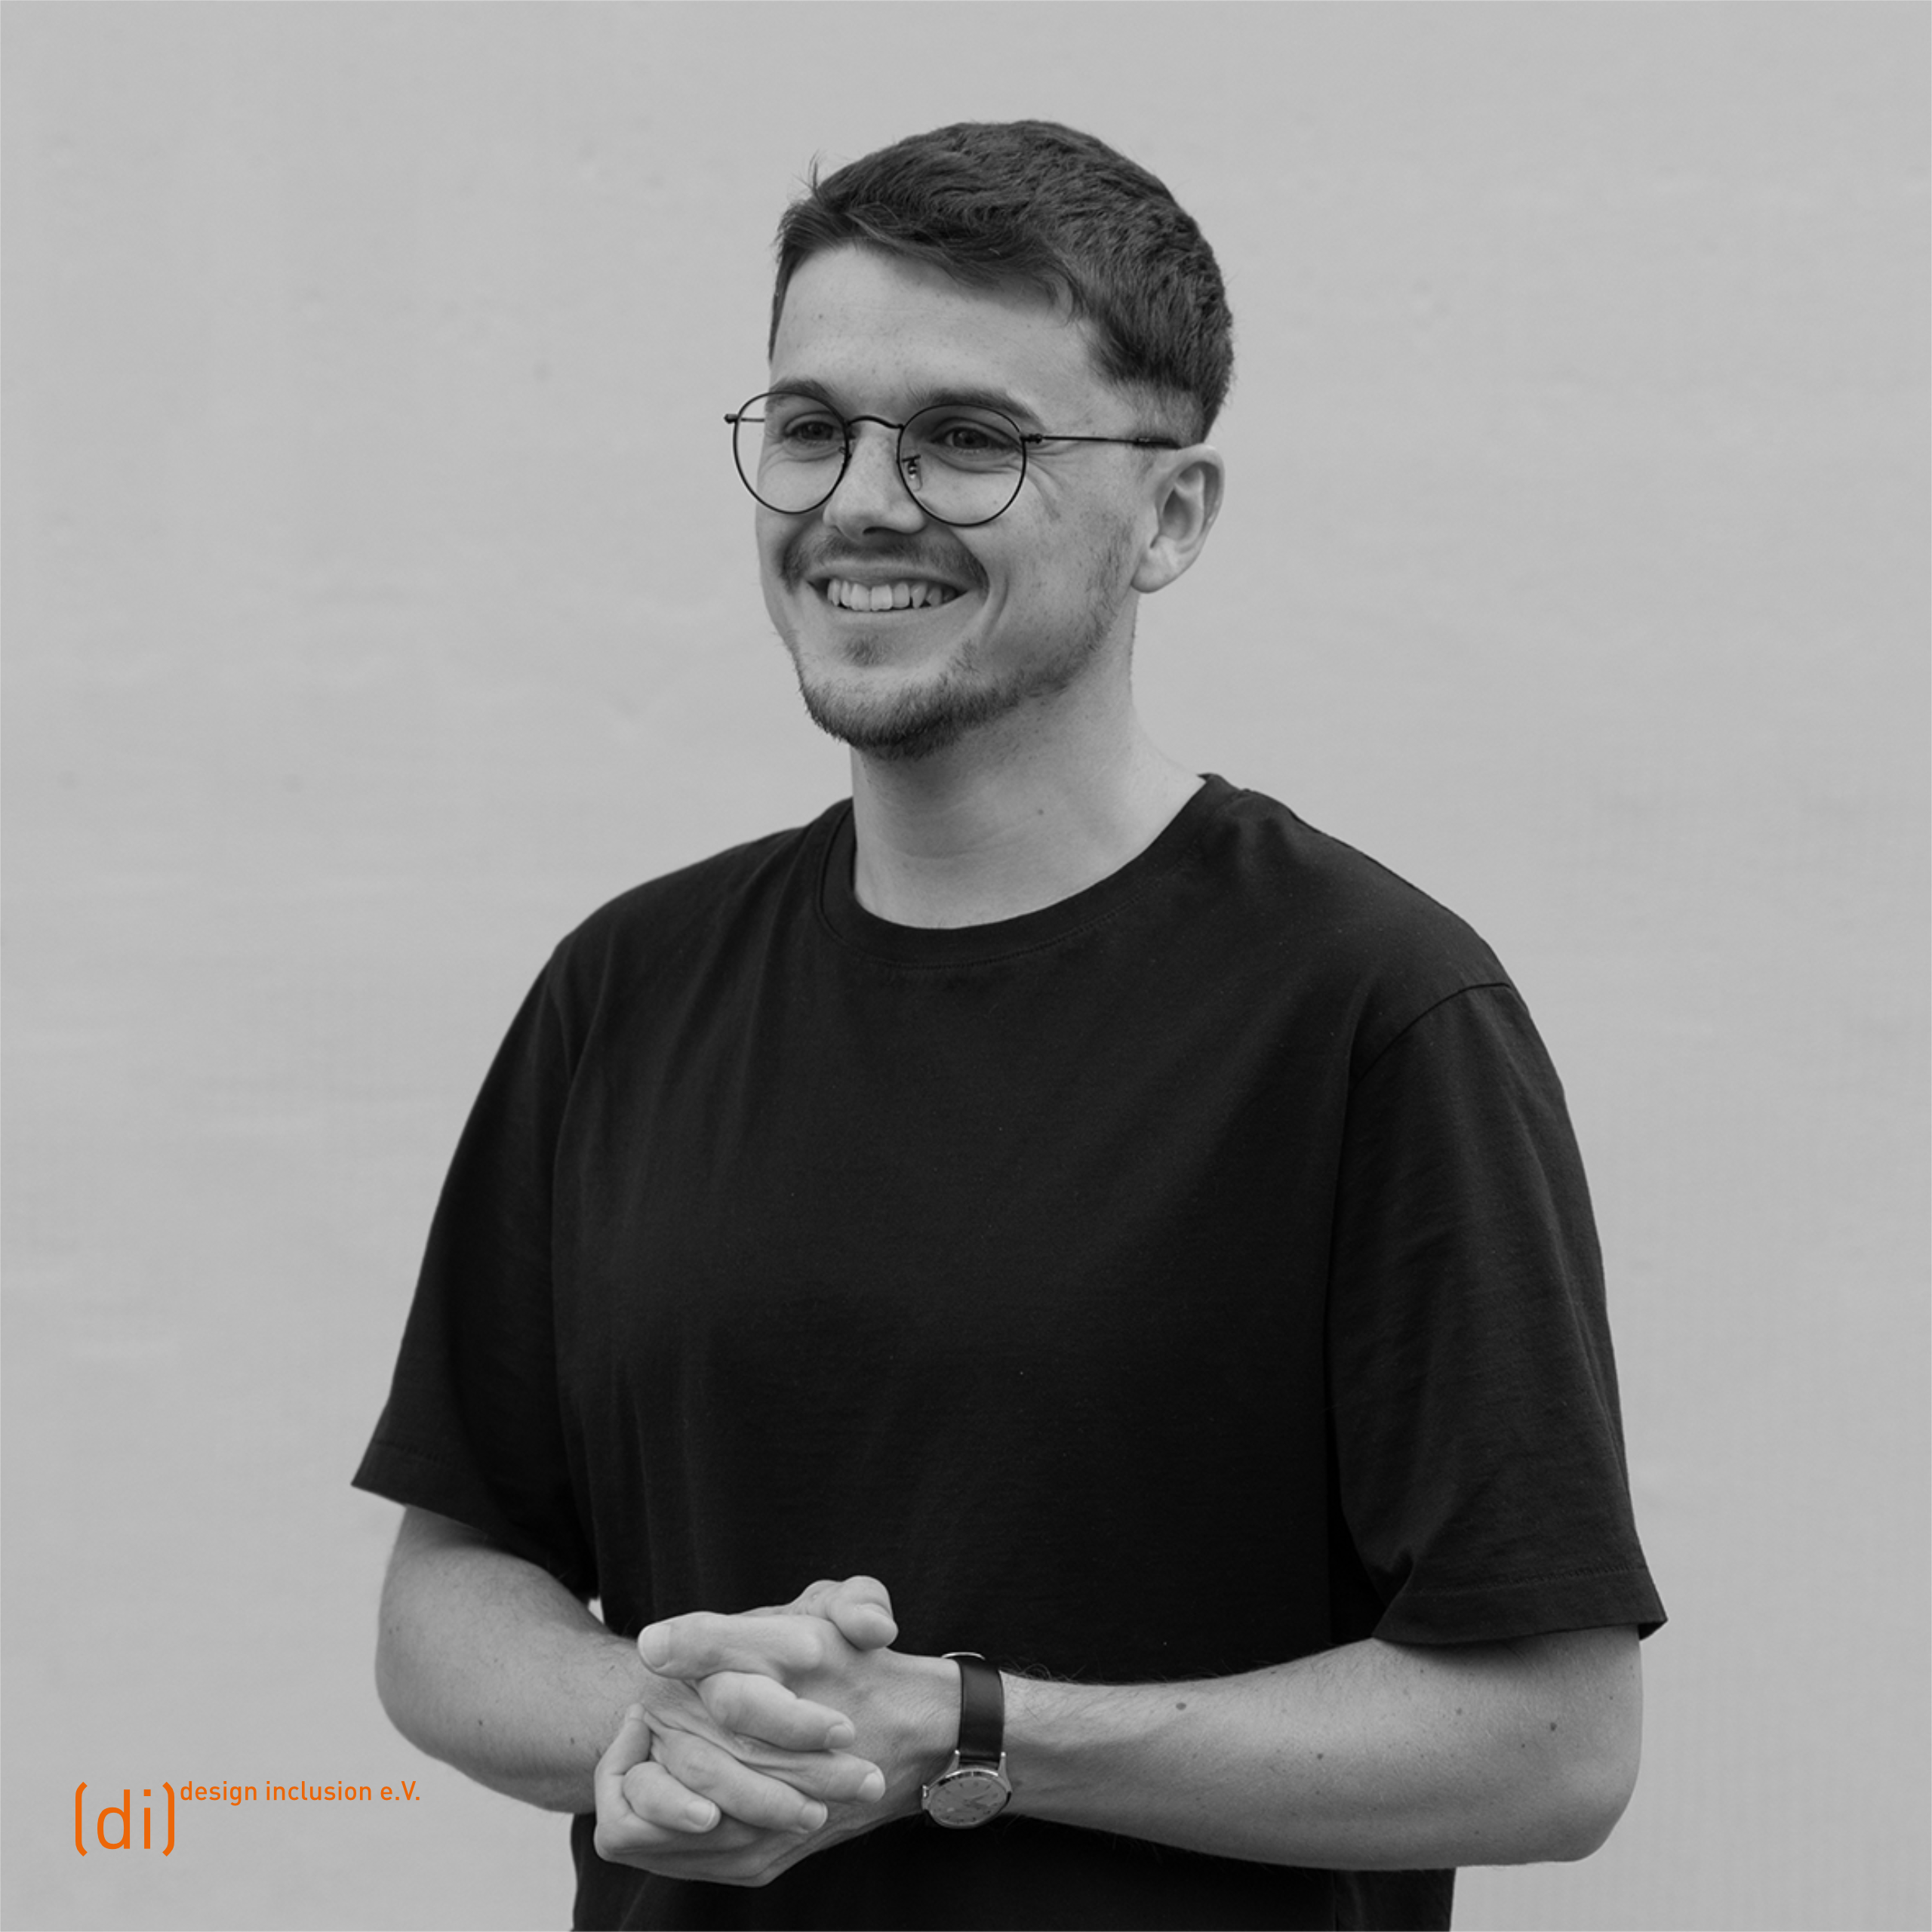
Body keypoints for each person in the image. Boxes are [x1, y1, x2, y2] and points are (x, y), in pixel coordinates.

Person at [354, 119, 1665, 1931]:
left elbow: (1550, 1741)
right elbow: (448, 1590)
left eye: (968, 439)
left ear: (1170, 515)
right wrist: (666, 1724)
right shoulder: (626, 985)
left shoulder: (1370, 1012)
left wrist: (970, 1731)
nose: (860, 500)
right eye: (809, 426)